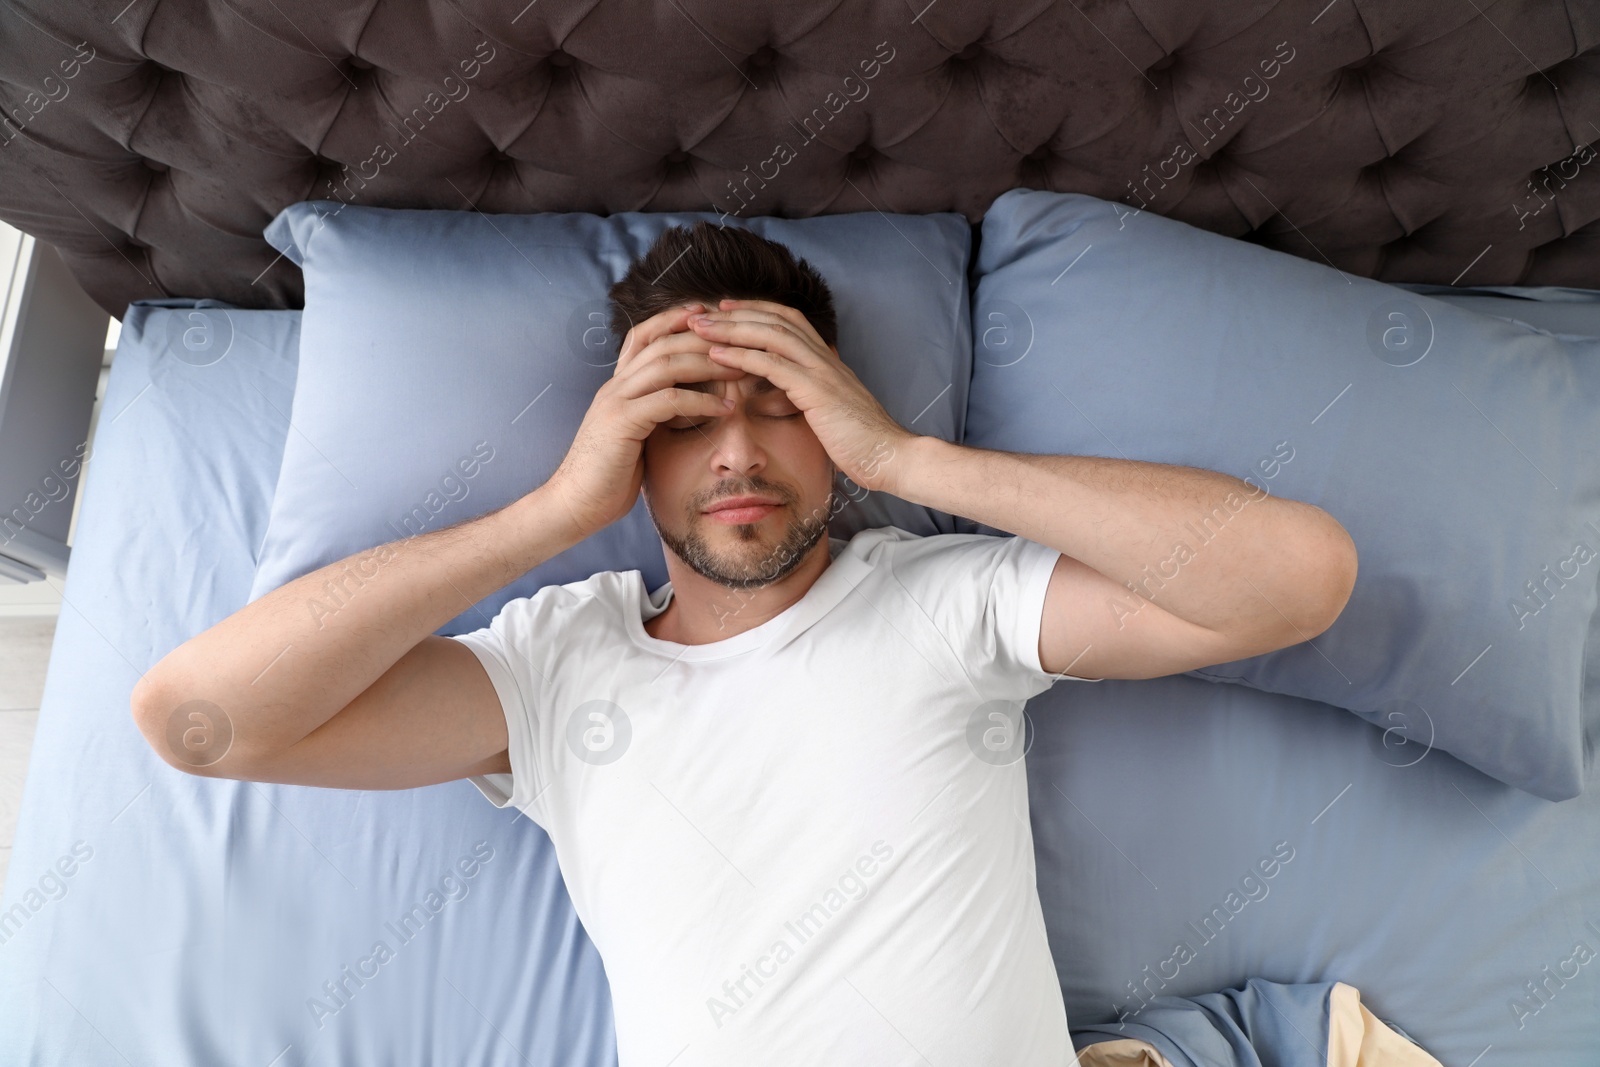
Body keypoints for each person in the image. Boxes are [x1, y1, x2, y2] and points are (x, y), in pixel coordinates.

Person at [131, 220, 1358, 1064]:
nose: (736, 451)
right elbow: (200, 718)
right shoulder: (552, 662)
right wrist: (551, 514)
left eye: (783, 406)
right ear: (629, 449)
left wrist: (907, 460)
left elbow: (1297, 579)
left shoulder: (946, 600)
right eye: (684, 416)